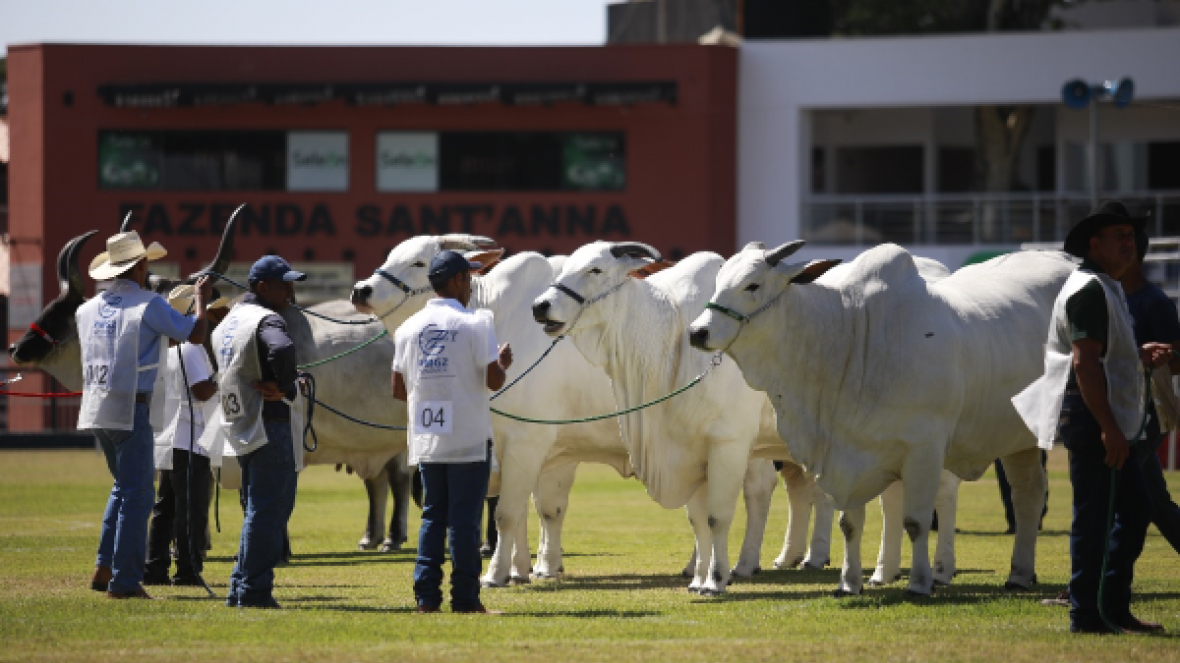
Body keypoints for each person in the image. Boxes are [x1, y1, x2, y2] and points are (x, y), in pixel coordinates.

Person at [1013, 200, 1173, 634]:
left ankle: (1112, 607)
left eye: (1131, 236)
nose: (1130, 243)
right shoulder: (1089, 289)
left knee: (1135, 510)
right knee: (1095, 519)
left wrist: (1136, 354)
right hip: (1094, 423)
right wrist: (1109, 429)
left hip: (1103, 421)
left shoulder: (1104, 285)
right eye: (1119, 236)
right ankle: (1086, 613)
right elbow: (1083, 364)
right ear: (1094, 243)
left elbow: (1097, 355)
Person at [80, 230, 214, 599]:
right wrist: (201, 300)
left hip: (96, 407)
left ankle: (104, 566)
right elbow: (196, 333)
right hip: (131, 408)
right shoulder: (149, 303)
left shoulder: (90, 307)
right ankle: (124, 581)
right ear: (140, 265)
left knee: (122, 488)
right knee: (139, 494)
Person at [392, 250, 512, 614]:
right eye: (469, 279)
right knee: (465, 522)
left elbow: (399, 390)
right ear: (458, 280)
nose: (471, 286)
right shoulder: (478, 322)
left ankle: (426, 598)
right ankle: (465, 598)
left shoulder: (407, 328)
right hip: (468, 438)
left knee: (432, 516)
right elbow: (493, 380)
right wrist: (502, 364)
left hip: (427, 438)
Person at [212, 255, 307, 609]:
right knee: (269, 511)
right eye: (285, 284)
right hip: (270, 423)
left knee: (256, 509)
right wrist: (287, 386)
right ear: (263, 287)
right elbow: (281, 348)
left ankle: (240, 586)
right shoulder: (268, 319)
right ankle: (253, 591)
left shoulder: (228, 322)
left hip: (241, 425)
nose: (291, 291)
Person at [144, 286, 229, 587]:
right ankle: (187, 570)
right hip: (190, 439)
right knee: (190, 509)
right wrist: (225, 376)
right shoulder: (191, 349)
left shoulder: (164, 349)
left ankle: (154, 567)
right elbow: (201, 391)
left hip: (169, 439)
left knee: (165, 507)